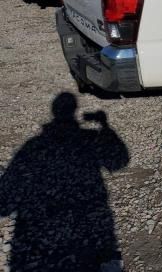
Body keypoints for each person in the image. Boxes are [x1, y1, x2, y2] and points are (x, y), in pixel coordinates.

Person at [0, 93, 129, 271]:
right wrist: (105, 127)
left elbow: (4, 203)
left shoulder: (32, 147)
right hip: (89, 239)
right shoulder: (89, 139)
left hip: (42, 249)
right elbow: (118, 161)